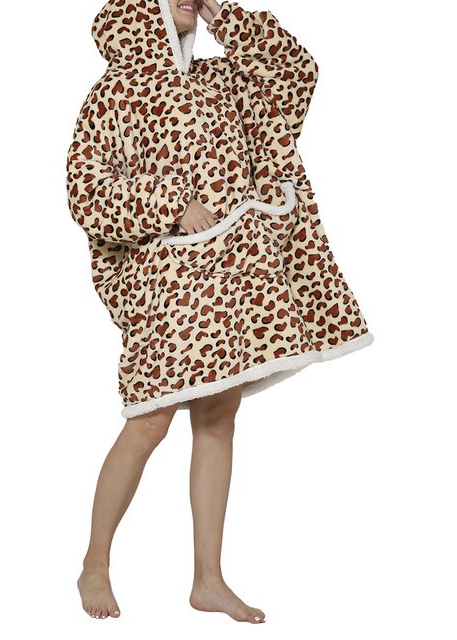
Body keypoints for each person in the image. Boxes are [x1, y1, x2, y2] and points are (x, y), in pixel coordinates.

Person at [66, 0, 374, 624]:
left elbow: (295, 72)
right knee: (150, 419)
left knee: (218, 417)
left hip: (231, 276)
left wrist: (222, 15)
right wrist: (168, 206)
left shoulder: (222, 79)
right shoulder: (114, 91)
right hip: (167, 278)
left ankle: (208, 579)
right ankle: (94, 563)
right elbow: (86, 189)